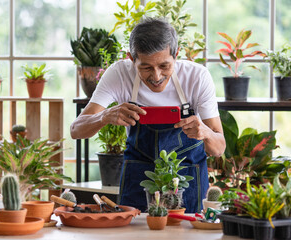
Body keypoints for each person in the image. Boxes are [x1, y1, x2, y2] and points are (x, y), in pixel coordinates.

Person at [70, 18, 226, 213]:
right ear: (131, 58)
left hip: (188, 177)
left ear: (176, 55)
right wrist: (104, 117)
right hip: (139, 176)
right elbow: (76, 130)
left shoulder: (196, 77)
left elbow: (219, 148)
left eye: (164, 66)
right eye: (146, 67)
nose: (156, 76)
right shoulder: (119, 74)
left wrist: (205, 132)